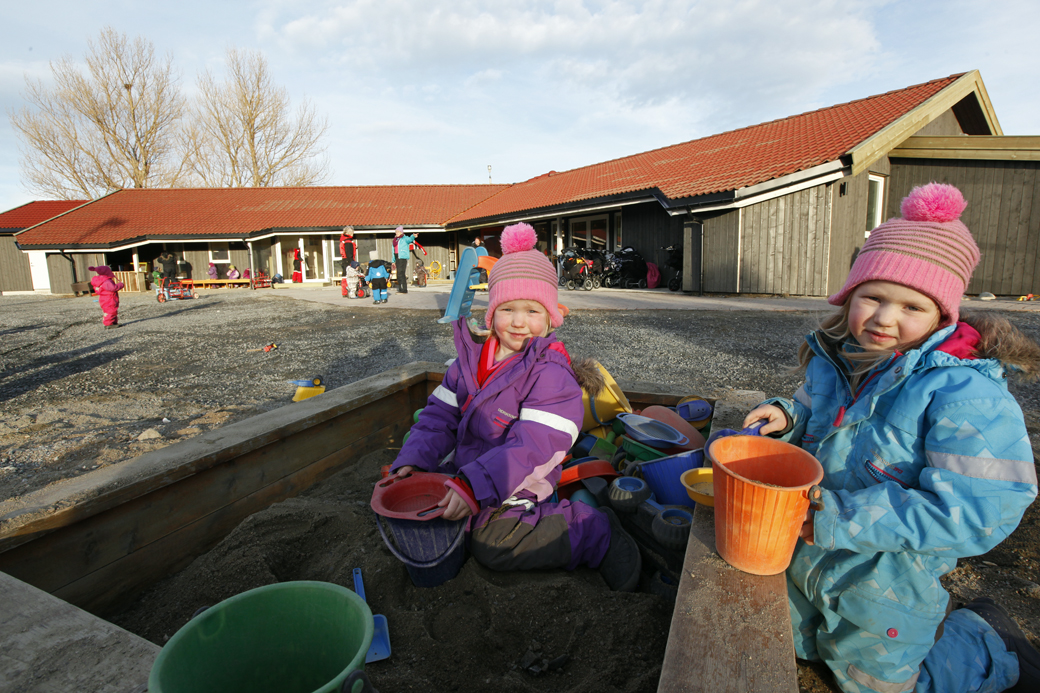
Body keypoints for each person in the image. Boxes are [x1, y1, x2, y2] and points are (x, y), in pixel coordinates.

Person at [741, 183, 1040, 693]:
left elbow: (979, 509)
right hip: (810, 552)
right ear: (849, 297)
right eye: (872, 298)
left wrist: (840, 518)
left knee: (871, 683)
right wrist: (787, 417)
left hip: (889, 583)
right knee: (803, 647)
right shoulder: (837, 362)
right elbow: (816, 417)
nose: (884, 318)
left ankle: (993, 650)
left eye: (911, 307)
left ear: (942, 315)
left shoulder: (965, 394)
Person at [389, 222, 642, 592]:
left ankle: (593, 531)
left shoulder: (551, 374)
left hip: (520, 481)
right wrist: (412, 461)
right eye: (508, 309)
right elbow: (437, 419)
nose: (519, 322)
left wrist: (474, 487)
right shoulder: (467, 363)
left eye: (533, 311)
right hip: (468, 474)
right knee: (429, 517)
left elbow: (534, 446)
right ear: (491, 313)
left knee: (494, 545)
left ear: (552, 316)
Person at [392, 226, 416, 293]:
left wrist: (413, 236)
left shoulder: (404, 238)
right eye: (396, 232)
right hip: (397, 257)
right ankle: (400, 288)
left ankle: (404, 289)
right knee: (398, 274)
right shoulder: (395, 240)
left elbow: (410, 240)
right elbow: (393, 251)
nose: (396, 233)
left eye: (398, 232)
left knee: (401, 273)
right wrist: (393, 260)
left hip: (402, 257)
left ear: (401, 232)